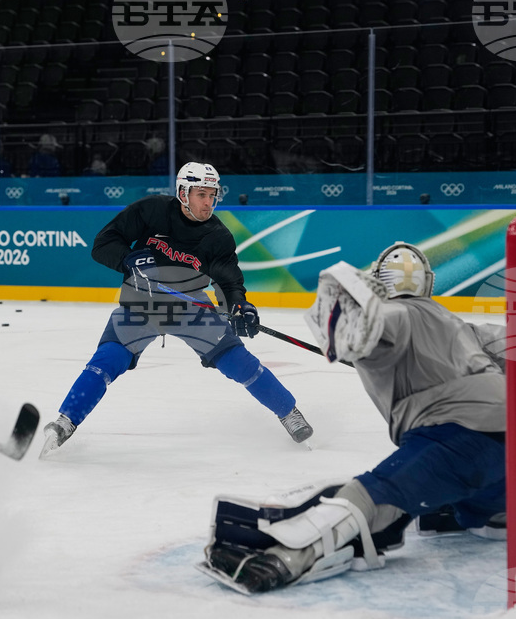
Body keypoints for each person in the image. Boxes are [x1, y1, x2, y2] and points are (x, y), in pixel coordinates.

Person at [200, 242, 511, 593]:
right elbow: (510, 348)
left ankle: (285, 558)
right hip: (512, 441)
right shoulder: (455, 322)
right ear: (428, 281)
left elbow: (373, 325)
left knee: (369, 495)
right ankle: (496, 508)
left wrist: (352, 332)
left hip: (456, 439)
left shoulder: (397, 315)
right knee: (484, 511)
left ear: (380, 282)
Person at [39, 162, 313, 458]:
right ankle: (65, 422)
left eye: (213, 195)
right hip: (141, 300)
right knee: (109, 357)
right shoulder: (152, 210)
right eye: (201, 194)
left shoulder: (218, 236)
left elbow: (229, 280)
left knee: (237, 359)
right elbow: (103, 244)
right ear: (183, 193)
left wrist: (239, 306)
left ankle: (289, 412)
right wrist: (129, 259)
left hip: (190, 305)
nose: (208, 202)